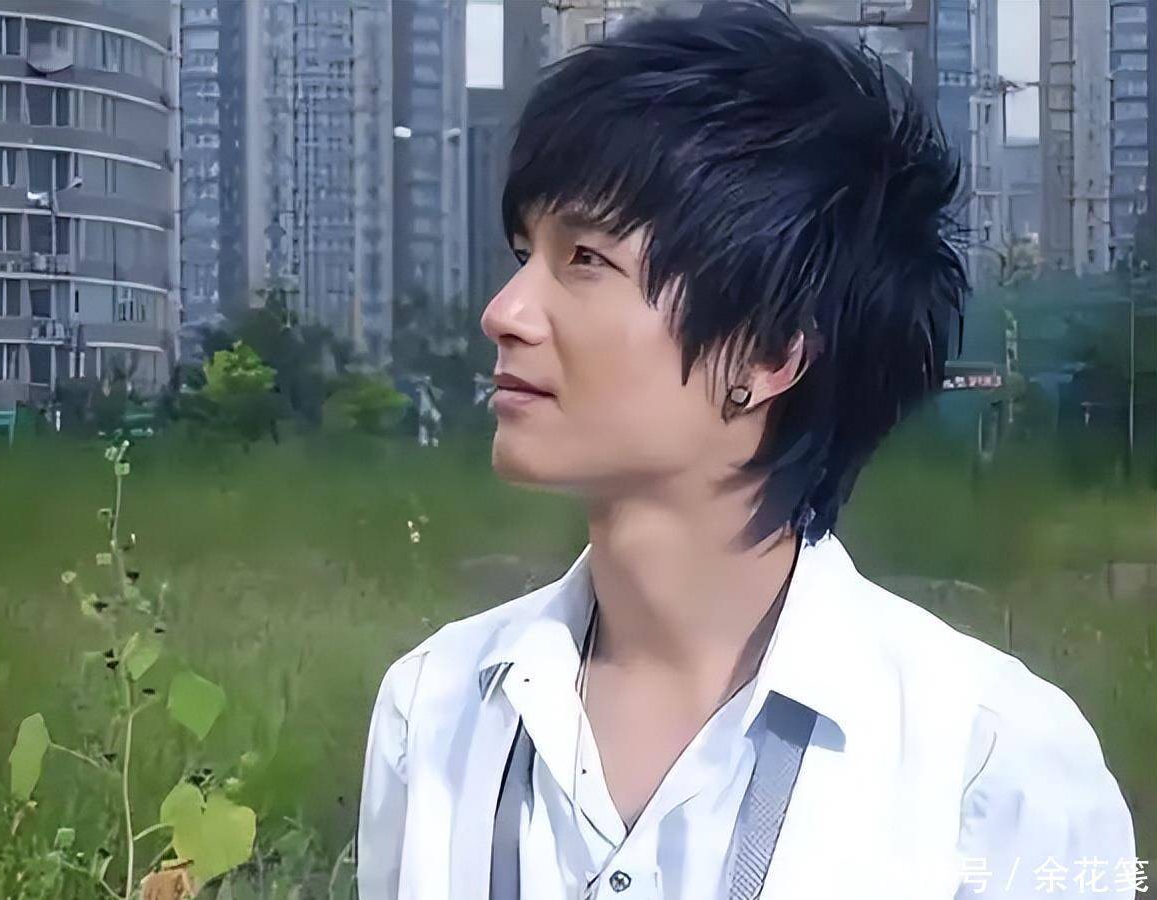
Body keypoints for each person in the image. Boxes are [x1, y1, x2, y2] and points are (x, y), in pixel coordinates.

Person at [355, 2, 1138, 898]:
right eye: (523, 252)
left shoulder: (988, 766)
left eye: (585, 260)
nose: (505, 312)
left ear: (768, 355)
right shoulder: (436, 711)